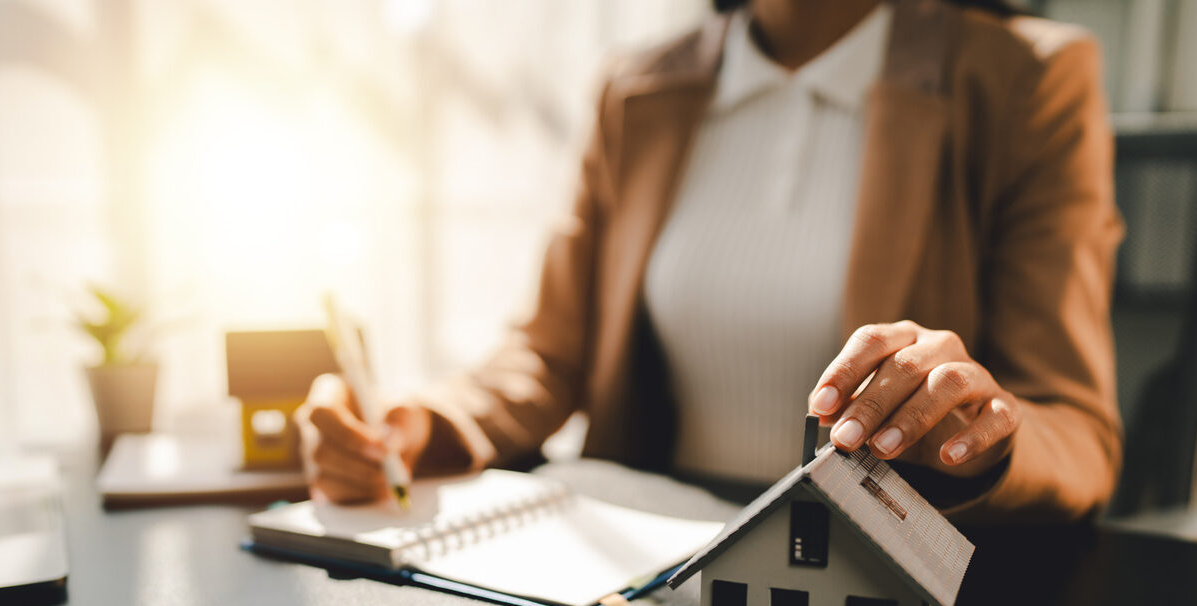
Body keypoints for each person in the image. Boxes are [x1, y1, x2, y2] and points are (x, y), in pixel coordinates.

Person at [297, 0, 1122, 523]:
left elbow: (1077, 431)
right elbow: (548, 355)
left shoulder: (1026, 81)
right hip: (649, 587)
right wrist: (416, 425)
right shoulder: (636, 90)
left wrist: (977, 434)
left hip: (896, 600)